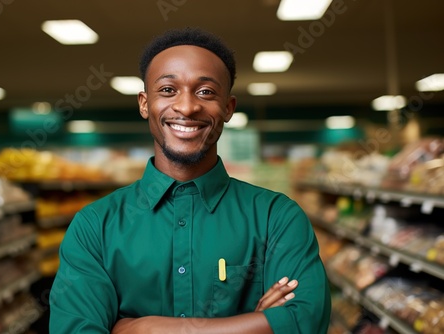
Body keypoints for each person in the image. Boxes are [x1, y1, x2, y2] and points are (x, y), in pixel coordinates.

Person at [49, 27, 331, 333]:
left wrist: (143, 328)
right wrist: (256, 324)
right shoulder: (95, 226)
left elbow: (305, 321)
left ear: (228, 108)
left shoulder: (276, 217)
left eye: (206, 92)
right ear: (145, 103)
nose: (186, 107)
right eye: (168, 90)